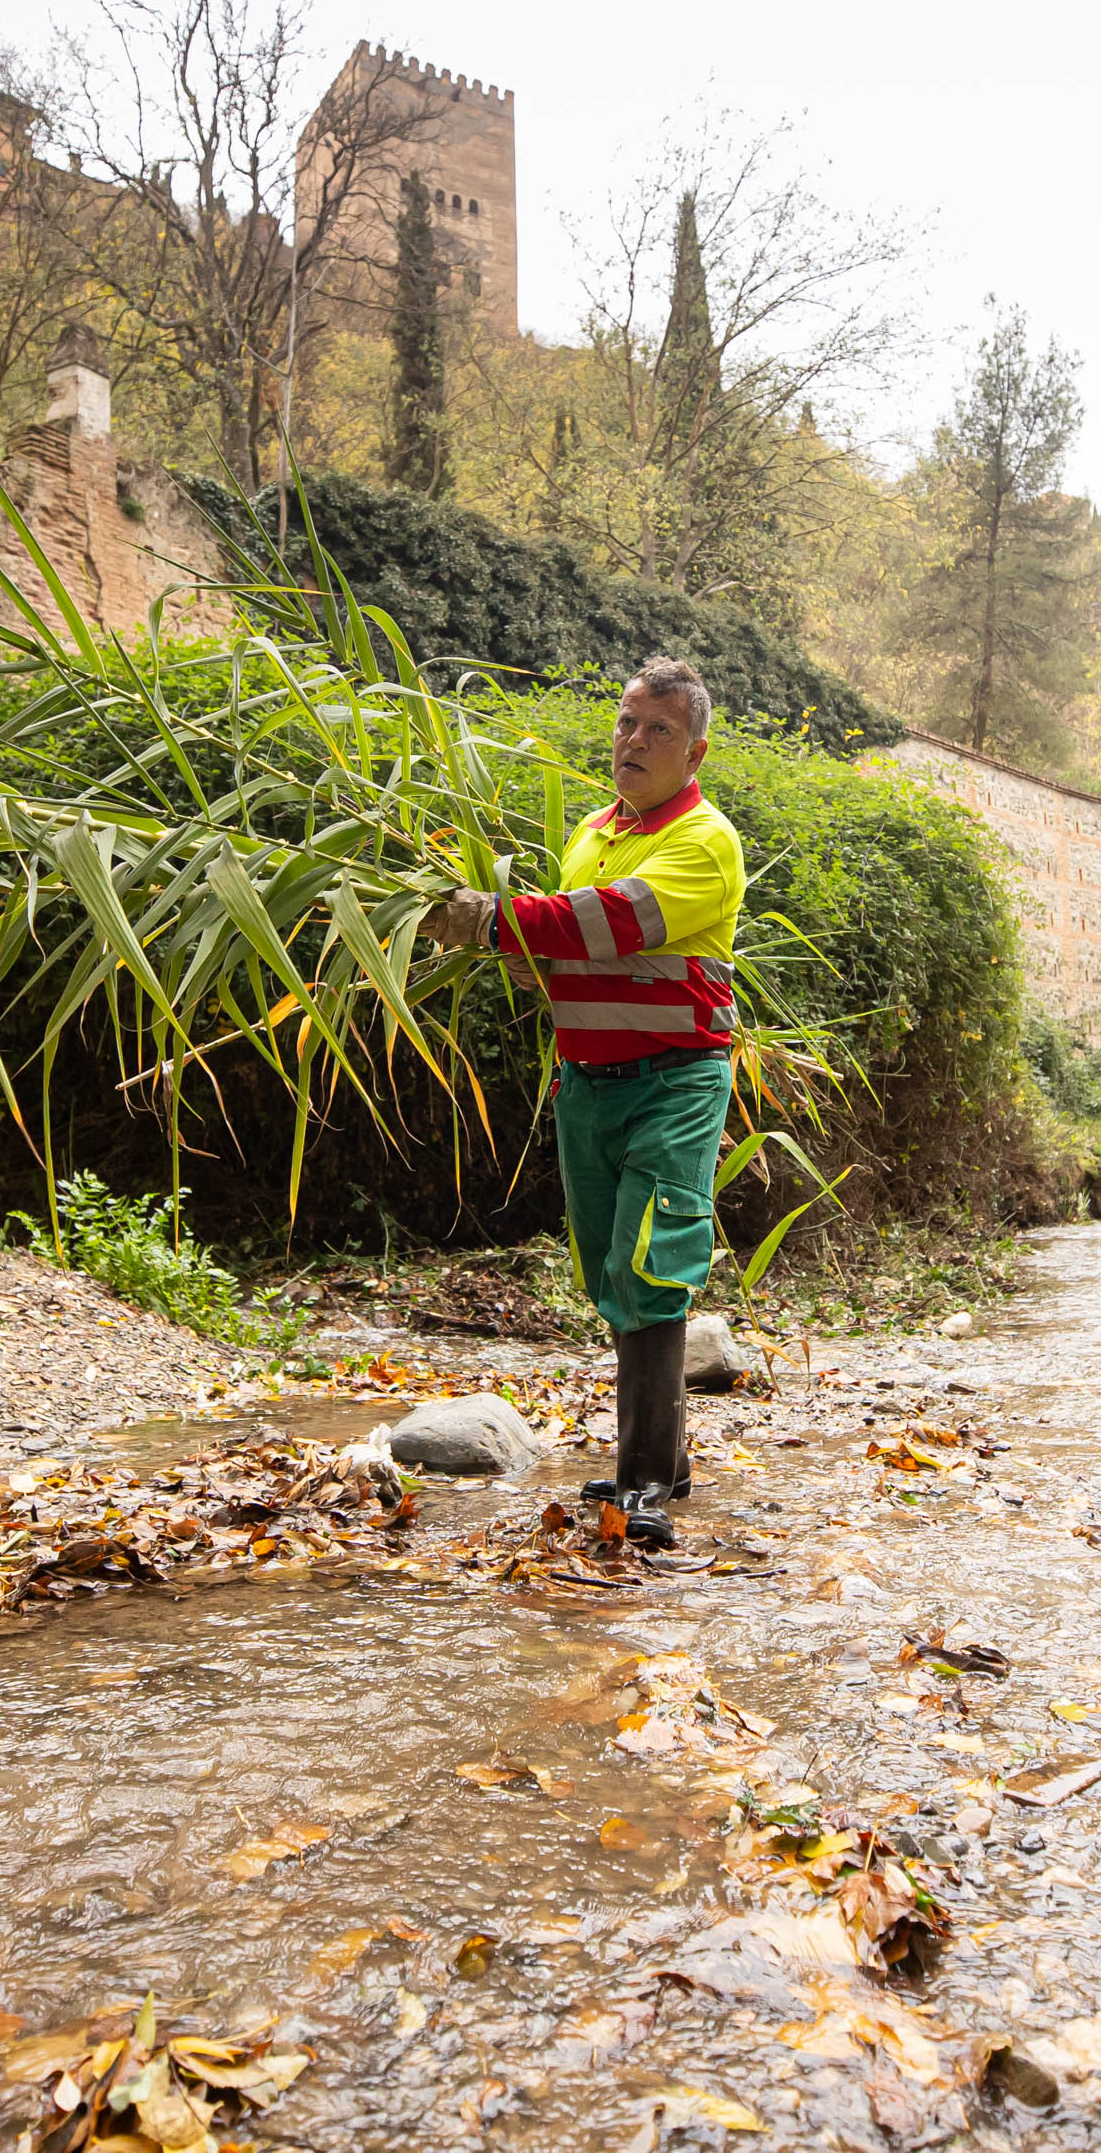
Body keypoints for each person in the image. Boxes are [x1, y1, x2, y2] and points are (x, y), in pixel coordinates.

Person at [425, 657, 745, 1547]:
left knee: (652, 1261)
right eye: (626, 724)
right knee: (609, 1269)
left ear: (696, 752)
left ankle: (644, 1484)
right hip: (589, 1084)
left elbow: (614, 922)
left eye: (658, 731)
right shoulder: (593, 830)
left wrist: (495, 919)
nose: (633, 742)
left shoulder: (706, 838)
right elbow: (570, 948)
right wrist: (517, 948)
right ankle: (664, 1462)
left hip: (675, 1080)